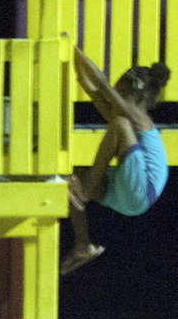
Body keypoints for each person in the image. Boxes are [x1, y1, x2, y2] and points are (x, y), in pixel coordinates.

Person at [64, 52, 170, 275]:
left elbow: (102, 85)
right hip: (130, 198)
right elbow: (91, 87)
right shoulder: (124, 116)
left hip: (143, 186)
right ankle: (83, 244)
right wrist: (71, 58)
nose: (115, 93)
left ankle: (85, 194)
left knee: (119, 124)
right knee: (70, 176)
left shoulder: (139, 118)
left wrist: (76, 50)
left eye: (119, 90)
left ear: (132, 94)